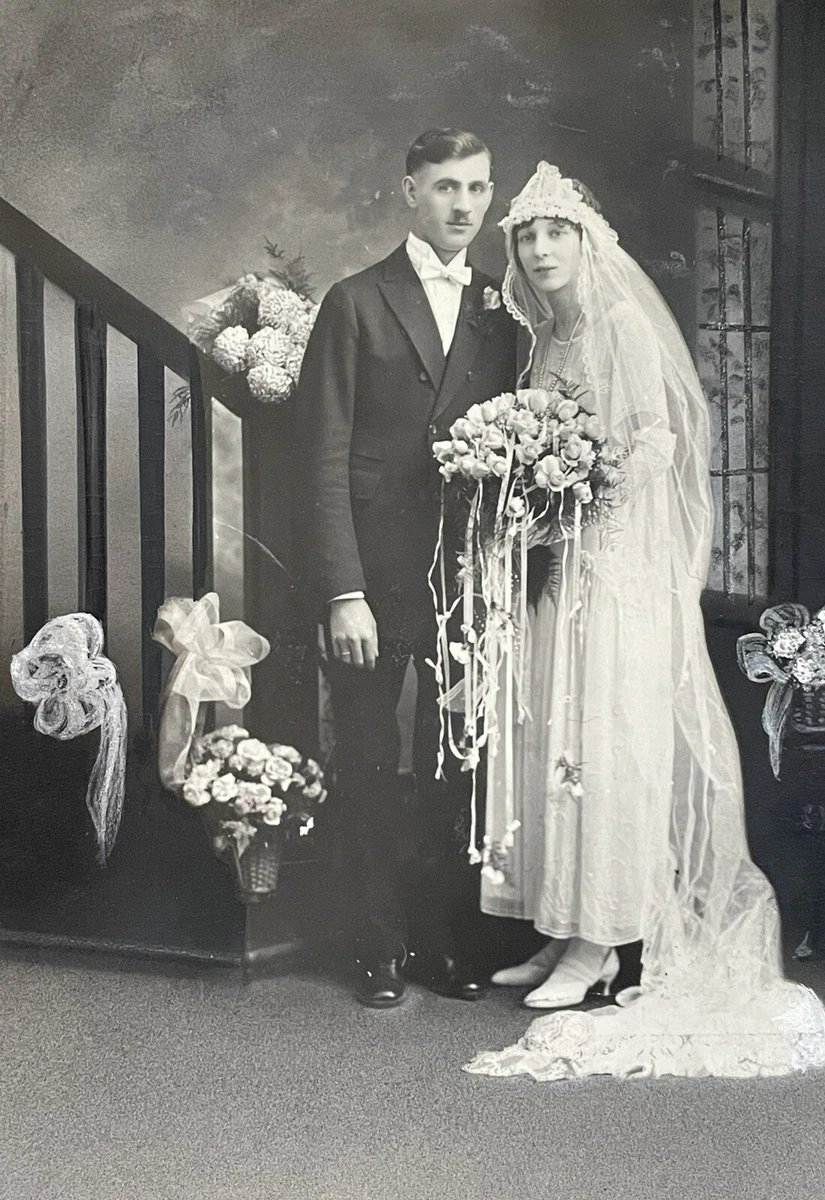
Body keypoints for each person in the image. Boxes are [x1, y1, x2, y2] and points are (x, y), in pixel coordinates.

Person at [463, 162, 825, 1078]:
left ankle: (604, 940)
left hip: (619, 567)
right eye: (527, 236)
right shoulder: (551, 336)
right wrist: (539, 492)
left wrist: (580, 488)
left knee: (605, 740)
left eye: (557, 232)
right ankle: (565, 932)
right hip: (568, 563)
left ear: (588, 243)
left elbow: (659, 443)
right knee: (561, 741)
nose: (542, 248)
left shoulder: (624, 326)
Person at [297, 130, 517, 1007]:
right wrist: (341, 591)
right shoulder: (355, 302)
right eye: (443, 188)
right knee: (365, 756)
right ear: (409, 192)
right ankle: (374, 946)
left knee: (453, 762)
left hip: (465, 577)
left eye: (476, 188)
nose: (461, 205)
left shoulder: (501, 308)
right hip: (373, 582)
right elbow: (321, 457)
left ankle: (436, 940)